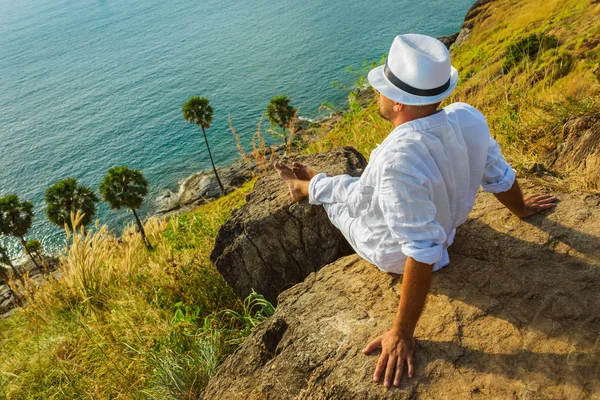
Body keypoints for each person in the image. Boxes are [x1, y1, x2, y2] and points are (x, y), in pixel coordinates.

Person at [274, 34, 556, 388]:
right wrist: (521, 207)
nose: (377, 93)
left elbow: (393, 225)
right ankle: (315, 183)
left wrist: (401, 333)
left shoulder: (396, 159)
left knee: (342, 202)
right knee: (366, 187)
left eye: (381, 88)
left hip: (393, 252)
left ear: (396, 103)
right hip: (447, 225)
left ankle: (306, 187)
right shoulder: (467, 118)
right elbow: (495, 171)